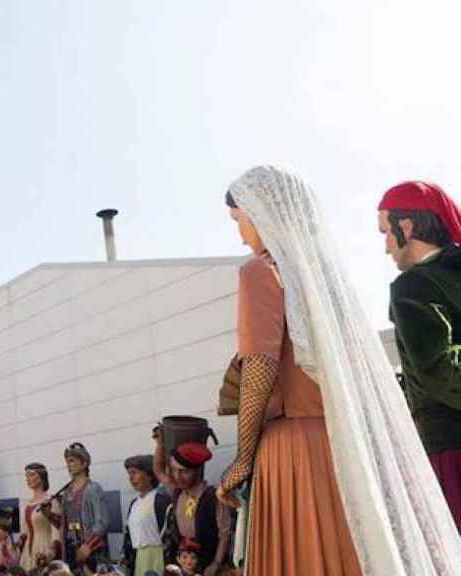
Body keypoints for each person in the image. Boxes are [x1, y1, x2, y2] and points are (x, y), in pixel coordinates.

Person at [220, 166, 461, 574]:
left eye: (239, 220)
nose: (241, 234)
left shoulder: (261, 269)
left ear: (260, 213)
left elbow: (259, 364)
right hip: (346, 445)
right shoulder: (330, 282)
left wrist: (242, 457)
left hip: (293, 450)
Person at [378, 180, 461, 528]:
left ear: (407, 227)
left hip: (451, 450)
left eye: (384, 231)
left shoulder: (412, 285)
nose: (385, 247)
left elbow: (439, 371)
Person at [151, 438, 228, 576]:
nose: (177, 476)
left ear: (197, 471)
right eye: (174, 470)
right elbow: (158, 471)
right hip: (183, 561)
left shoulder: (213, 496)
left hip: (205, 562)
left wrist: (216, 563)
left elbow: (224, 534)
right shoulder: (177, 492)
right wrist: (160, 443)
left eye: (184, 471)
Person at [44, 443, 107, 573]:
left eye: (72, 461)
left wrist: (88, 546)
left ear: (84, 463)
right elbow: (65, 526)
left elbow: (102, 522)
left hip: (90, 551)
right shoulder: (67, 493)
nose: (68, 465)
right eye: (67, 461)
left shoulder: (93, 489)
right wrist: (49, 515)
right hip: (71, 549)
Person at [121, 455, 170, 576]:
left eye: (134, 473)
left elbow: (169, 535)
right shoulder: (134, 504)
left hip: (157, 556)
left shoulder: (160, 501)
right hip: (139, 557)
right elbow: (129, 534)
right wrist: (125, 554)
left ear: (149, 475)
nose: (131, 478)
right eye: (129, 474)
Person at [18, 463, 59, 572]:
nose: (28, 479)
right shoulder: (27, 504)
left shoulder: (50, 501)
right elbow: (25, 532)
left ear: (41, 476)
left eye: (31, 475)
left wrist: (50, 552)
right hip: (27, 552)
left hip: (44, 548)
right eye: (26, 476)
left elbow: (56, 529)